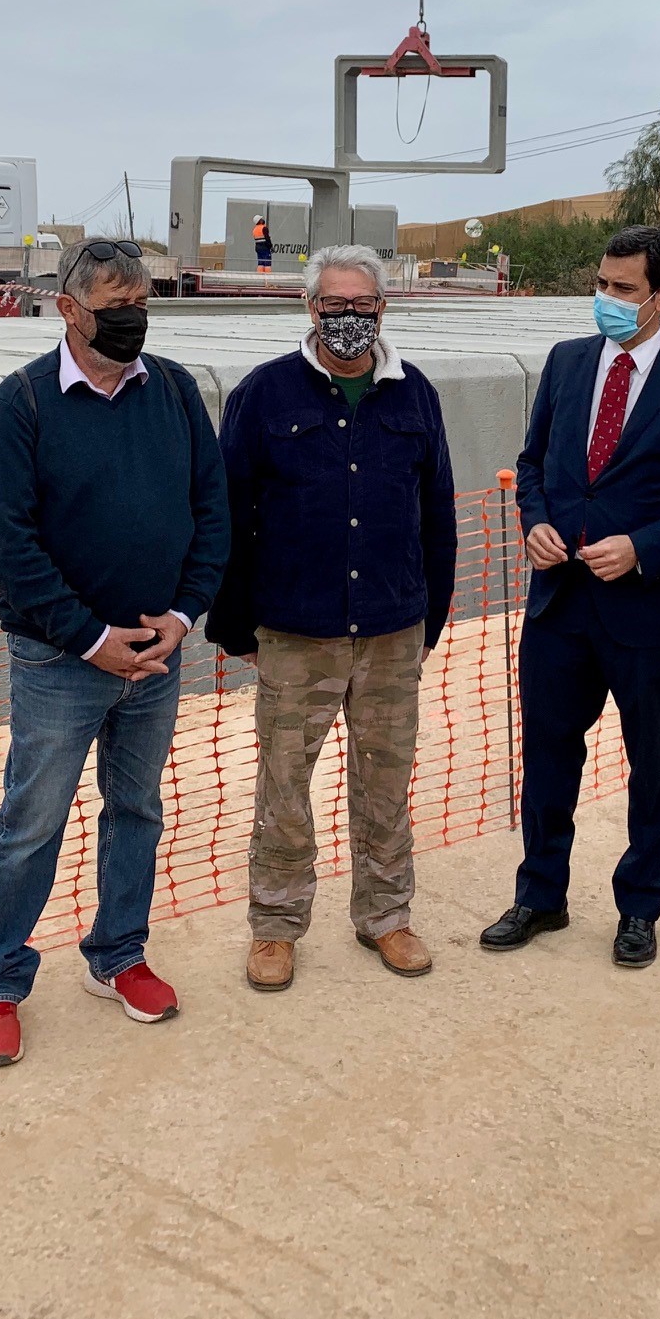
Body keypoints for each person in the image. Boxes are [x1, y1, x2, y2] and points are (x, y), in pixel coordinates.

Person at [0, 236, 230, 1068]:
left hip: (158, 656)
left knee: (138, 811)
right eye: (117, 308)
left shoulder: (177, 392)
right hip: (59, 664)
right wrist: (89, 639)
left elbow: (211, 512)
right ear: (68, 310)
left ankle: (118, 956)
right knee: (31, 823)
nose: (134, 321)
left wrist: (184, 616)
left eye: (143, 303)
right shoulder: (23, 404)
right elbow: (7, 545)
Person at [479, 225, 660, 969]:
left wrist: (644, 549)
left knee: (654, 763)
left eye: (624, 290)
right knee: (547, 757)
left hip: (650, 612)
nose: (606, 299)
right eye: (600, 284)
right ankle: (540, 895)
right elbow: (532, 463)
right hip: (558, 605)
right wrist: (534, 522)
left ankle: (640, 905)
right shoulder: (567, 363)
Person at [206, 243, 457, 991]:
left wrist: (428, 619)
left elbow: (436, 515)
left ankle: (387, 914)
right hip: (294, 631)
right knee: (284, 786)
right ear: (310, 308)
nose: (347, 318)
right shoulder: (264, 394)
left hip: (390, 630)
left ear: (383, 308)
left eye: (362, 305)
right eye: (333, 305)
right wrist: (235, 623)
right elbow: (229, 513)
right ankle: (276, 925)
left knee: (386, 780)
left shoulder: (415, 395)